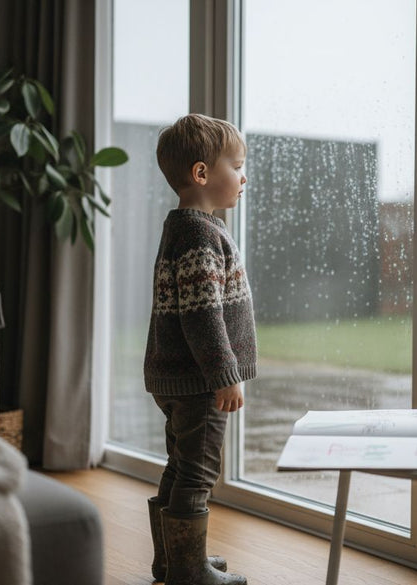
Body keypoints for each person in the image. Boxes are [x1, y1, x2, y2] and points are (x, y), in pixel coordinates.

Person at [143, 113, 257, 585]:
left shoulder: (182, 227)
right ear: (202, 173)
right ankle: (189, 571)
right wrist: (224, 375)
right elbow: (203, 315)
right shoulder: (200, 234)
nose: (243, 177)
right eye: (237, 166)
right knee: (198, 473)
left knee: (180, 465)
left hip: (174, 377)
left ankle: (172, 561)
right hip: (198, 383)